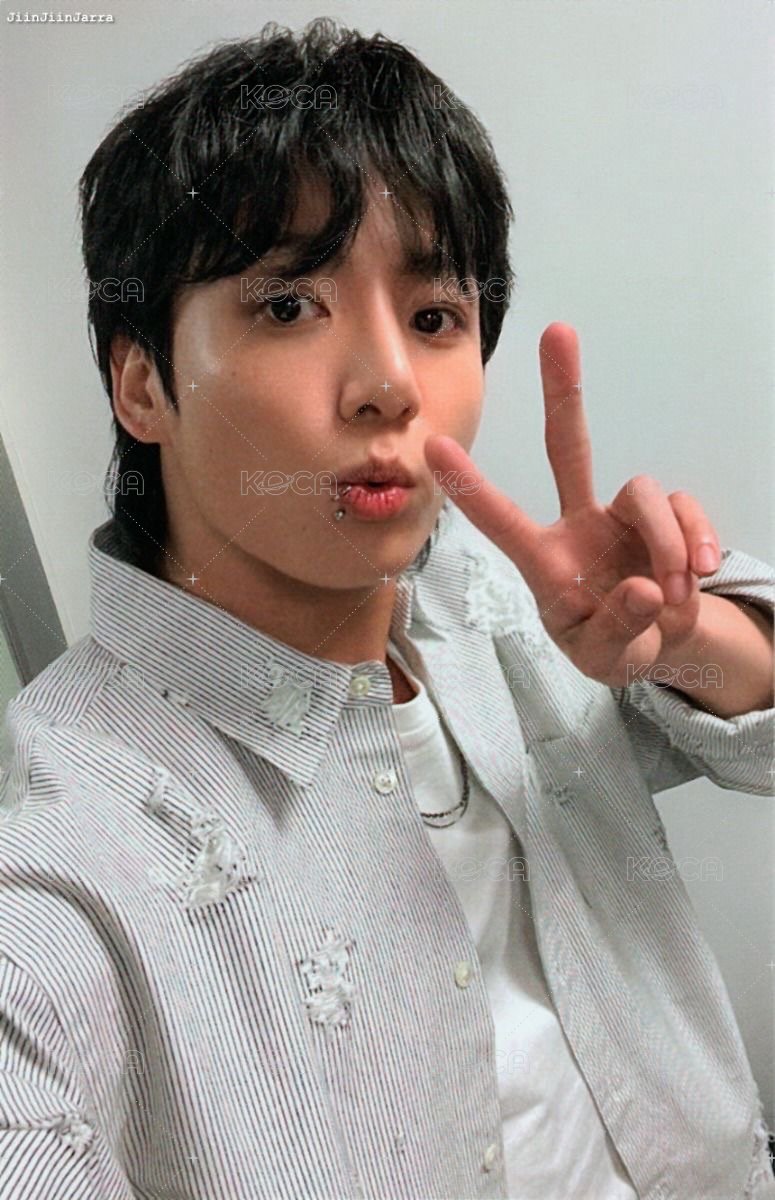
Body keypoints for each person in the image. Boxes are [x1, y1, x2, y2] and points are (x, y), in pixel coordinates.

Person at [1, 17, 773, 1200]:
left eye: (432, 318)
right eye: (286, 306)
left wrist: (680, 640)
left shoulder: (497, 599)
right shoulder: (66, 826)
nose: (388, 386)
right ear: (141, 382)